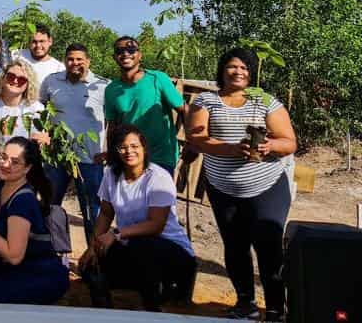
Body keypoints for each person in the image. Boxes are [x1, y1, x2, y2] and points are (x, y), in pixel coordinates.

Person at [187, 48, 297, 321]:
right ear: (222, 70)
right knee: (235, 246)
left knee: (268, 245)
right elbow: (198, 139)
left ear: (251, 73)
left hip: (267, 186)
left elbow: (290, 142)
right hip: (223, 188)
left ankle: (274, 308)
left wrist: (270, 145)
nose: (238, 72)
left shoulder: (265, 101)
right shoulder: (206, 101)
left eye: (244, 68)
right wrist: (230, 149)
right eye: (232, 66)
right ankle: (245, 302)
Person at [78, 125, 196, 313]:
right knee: (89, 266)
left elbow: (156, 225)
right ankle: (105, 313)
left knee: (141, 246)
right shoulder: (111, 174)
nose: (129, 151)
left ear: (144, 148)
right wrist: (93, 246)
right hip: (133, 245)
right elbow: (106, 213)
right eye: (122, 147)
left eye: (134, 146)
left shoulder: (158, 177)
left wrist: (116, 233)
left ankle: (157, 305)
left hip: (172, 251)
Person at [0, 137, 70, 304]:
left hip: (38, 275)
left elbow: (14, 256)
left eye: (15, 162)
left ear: (27, 168)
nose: (6, 164)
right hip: (12, 268)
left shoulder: (23, 201)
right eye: (3, 157)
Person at [40, 43, 109, 240]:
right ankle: (49, 255)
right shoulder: (51, 81)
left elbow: (114, 120)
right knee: (50, 206)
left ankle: (93, 261)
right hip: (56, 157)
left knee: (92, 211)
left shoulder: (103, 85)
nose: (75, 63)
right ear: (64, 61)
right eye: (70, 59)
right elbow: (41, 108)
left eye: (79, 59)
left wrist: (108, 150)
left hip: (90, 159)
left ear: (88, 61)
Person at [104, 36, 186, 176]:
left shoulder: (157, 79)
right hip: (129, 157)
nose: (125, 53)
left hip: (161, 158)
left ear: (139, 55)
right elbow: (113, 126)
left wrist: (192, 143)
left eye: (131, 49)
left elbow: (185, 110)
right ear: (114, 57)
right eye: (120, 51)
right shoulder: (111, 89)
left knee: (159, 198)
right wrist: (112, 154)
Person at [0, 61, 46, 144]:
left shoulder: (37, 108)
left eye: (22, 79)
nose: (15, 81)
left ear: (28, 84)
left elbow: (38, 140)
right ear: (2, 78)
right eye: (11, 76)